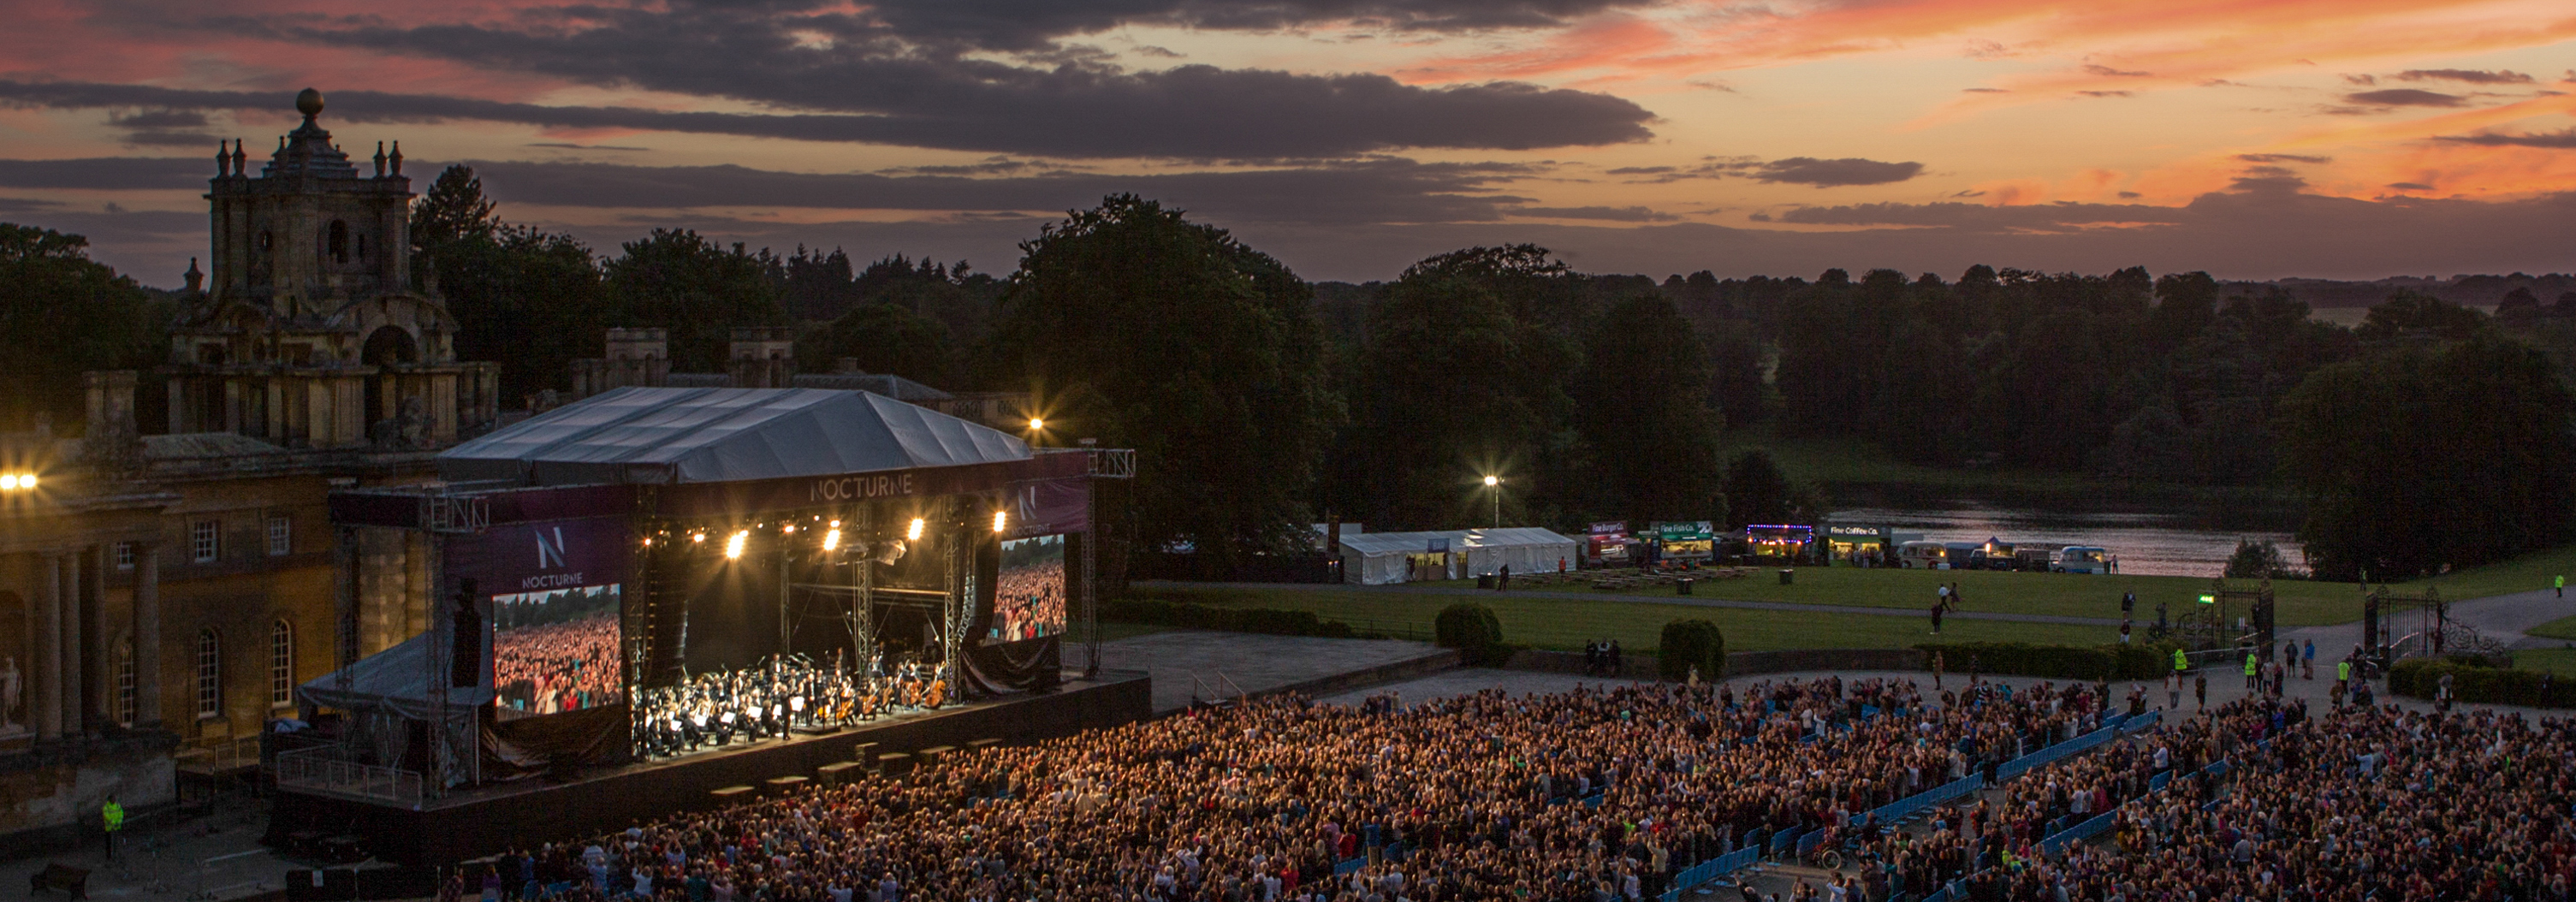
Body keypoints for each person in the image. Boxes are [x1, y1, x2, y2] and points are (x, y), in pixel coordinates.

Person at [100, 793, 122, 861]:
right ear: (110, 799)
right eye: (113, 798)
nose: (115, 800)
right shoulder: (106, 808)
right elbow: (106, 816)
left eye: (115, 798)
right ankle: (109, 856)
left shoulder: (118, 806)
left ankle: (115, 854)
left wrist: (119, 821)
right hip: (109, 828)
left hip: (117, 827)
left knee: (116, 842)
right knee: (109, 843)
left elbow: (121, 813)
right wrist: (113, 823)